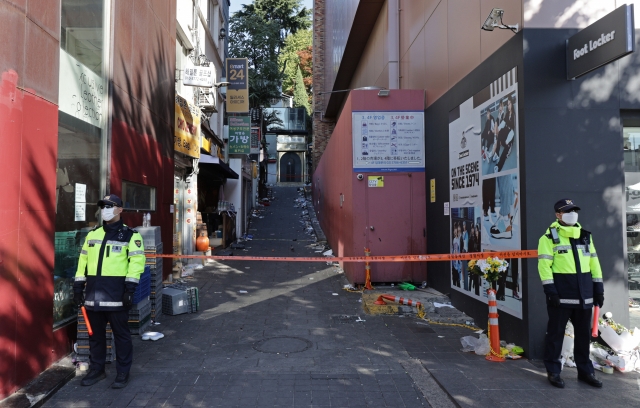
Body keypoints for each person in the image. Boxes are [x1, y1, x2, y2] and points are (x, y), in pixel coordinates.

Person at [73, 194, 146, 389]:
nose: (105, 209)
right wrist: (78, 287)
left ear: (120, 209)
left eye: (110, 205)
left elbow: (137, 265)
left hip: (116, 297)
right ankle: (97, 369)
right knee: (95, 336)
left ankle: (123, 372)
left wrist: (130, 290)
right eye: (103, 205)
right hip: (93, 297)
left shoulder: (131, 236)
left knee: (121, 336)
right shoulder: (92, 234)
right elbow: (83, 263)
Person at [538, 199, 604, 389]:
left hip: (585, 295)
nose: (572, 213)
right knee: (555, 335)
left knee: (584, 336)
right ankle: (553, 371)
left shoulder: (585, 236)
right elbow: (544, 267)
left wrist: (598, 289)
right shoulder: (548, 238)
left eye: (574, 210)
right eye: (567, 211)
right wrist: (550, 291)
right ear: (557, 215)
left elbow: (594, 264)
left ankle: (585, 372)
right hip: (561, 296)